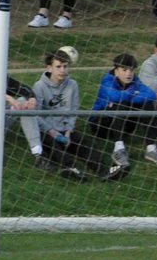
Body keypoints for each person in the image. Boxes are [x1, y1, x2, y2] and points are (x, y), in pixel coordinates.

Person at [33, 49, 124, 181]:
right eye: (58, 67)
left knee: (85, 145)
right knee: (54, 146)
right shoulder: (39, 86)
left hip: (65, 130)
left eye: (65, 66)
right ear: (49, 68)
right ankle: (71, 169)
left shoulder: (72, 85)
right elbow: (35, 115)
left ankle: (104, 171)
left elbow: (74, 110)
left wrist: (68, 131)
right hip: (46, 131)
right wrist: (51, 131)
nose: (62, 70)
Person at [90, 53, 157, 169]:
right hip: (101, 125)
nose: (128, 74)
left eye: (131, 70)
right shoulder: (107, 81)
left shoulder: (135, 81)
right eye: (124, 70)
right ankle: (118, 149)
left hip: (124, 125)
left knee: (147, 103)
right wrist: (132, 93)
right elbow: (115, 97)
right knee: (121, 103)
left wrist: (130, 97)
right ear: (116, 71)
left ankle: (151, 148)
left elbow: (151, 95)